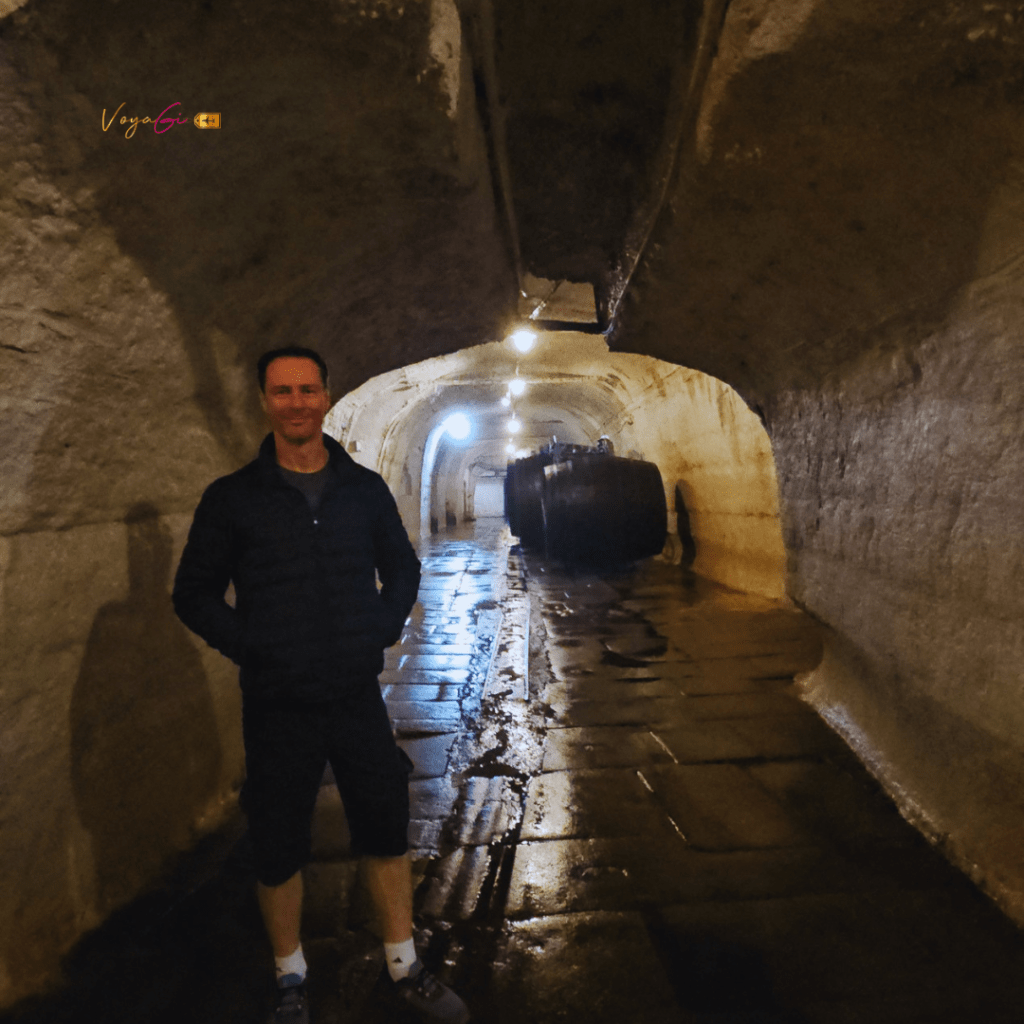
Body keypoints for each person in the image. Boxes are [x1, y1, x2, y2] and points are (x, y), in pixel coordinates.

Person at [172, 346, 469, 1024]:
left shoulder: (362, 489)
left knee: (384, 823)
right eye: (282, 391)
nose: (296, 403)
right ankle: (290, 977)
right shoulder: (233, 499)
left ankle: (404, 963)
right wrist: (253, 646)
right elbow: (193, 593)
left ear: (326, 396)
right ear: (264, 401)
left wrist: (382, 626)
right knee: (277, 840)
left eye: (307, 389)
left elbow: (402, 567)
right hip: (276, 702)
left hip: (355, 694)